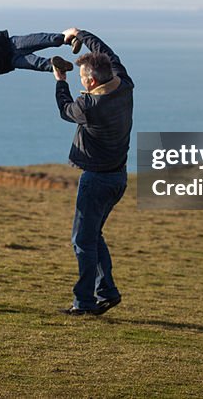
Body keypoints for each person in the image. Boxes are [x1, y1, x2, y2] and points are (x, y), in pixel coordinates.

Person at [52, 28, 134, 316]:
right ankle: (107, 291)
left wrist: (60, 81)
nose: (80, 82)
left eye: (81, 79)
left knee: (82, 240)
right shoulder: (124, 84)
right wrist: (83, 34)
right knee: (93, 235)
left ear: (91, 80)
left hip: (96, 180)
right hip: (118, 178)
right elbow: (109, 54)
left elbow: (65, 109)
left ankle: (84, 302)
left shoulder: (89, 105)